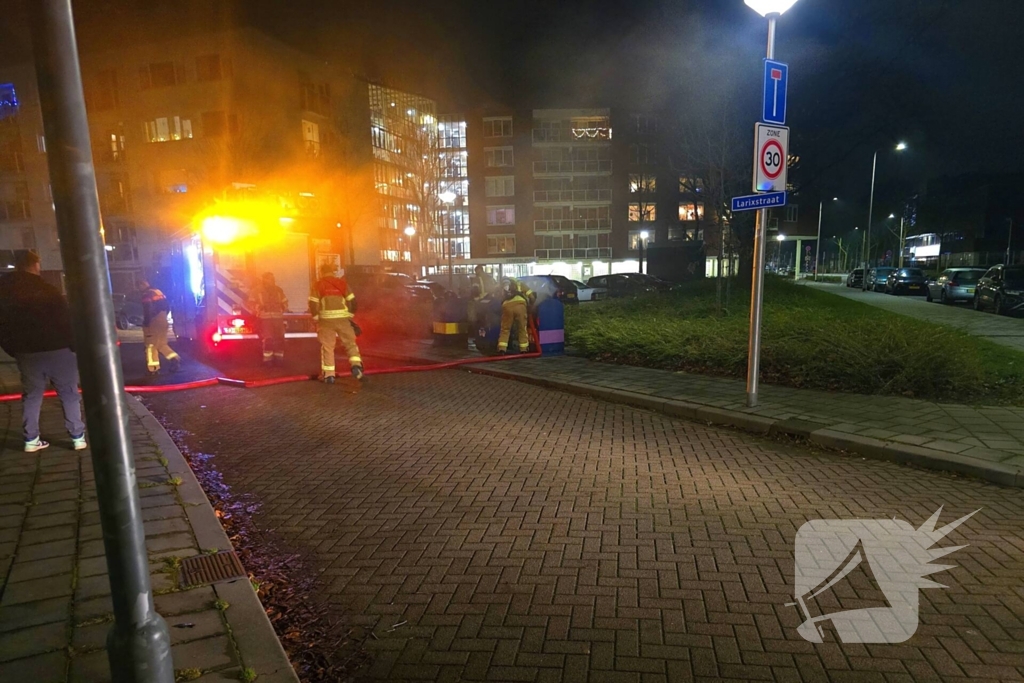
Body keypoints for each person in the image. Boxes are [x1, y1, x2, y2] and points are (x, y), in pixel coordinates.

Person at [0, 251, 86, 452]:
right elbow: (65, 319)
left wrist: (13, 349)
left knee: (32, 395)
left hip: (26, 352)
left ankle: (30, 439)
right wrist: (73, 345)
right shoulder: (47, 289)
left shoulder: (4, 291)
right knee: (69, 393)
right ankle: (77, 437)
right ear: (35, 264)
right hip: (58, 349)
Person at [309, 263, 363, 383]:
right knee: (350, 344)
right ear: (332, 272)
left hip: (326, 321)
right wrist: (349, 316)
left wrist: (316, 318)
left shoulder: (318, 285)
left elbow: (313, 303)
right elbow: (353, 302)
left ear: (321, 272)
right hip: (343, 320)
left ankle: (329, 375)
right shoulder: (342, 284)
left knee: (328, 347)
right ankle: (356, 365)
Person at [139, 280, 180, 375]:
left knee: (150, 346)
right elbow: (167, 306)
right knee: (161, 344)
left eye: (139, 287)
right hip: (163, 320)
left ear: (142, 285)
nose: (139, 289)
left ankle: (153, 369)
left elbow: (147, 310)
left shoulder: (146, 295)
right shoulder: (158, 292)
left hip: (153, 322)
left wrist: (147, 322)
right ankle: (174, 358)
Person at [248, 272, 288, 365]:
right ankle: (268, 360)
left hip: (278, 318)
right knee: (268, 339)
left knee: (280, 338)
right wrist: (259, 308)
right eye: (270, 278)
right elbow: (251, 303)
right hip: (265, 319)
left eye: (273, 278)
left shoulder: (278, 290)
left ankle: (279, 359)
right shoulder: (257, 291)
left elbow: (285, 302)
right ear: (264, 280)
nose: (273, 280)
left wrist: (282, 308)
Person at [496, 277, 534, 355]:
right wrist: (531, 306)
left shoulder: (502, 286)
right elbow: (532, 296)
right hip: (520, 306)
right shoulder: (521, 284)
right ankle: (524, 349)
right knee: (522, 328)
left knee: (505, 329)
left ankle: (502, 349)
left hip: (507, 306)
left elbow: (497, 298)